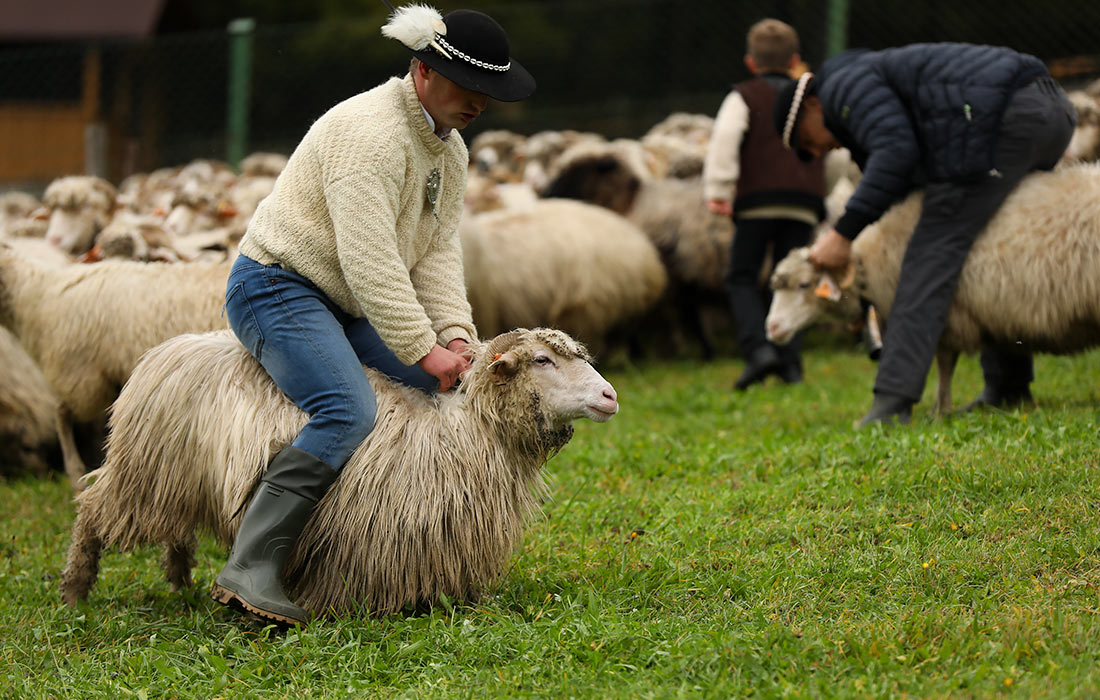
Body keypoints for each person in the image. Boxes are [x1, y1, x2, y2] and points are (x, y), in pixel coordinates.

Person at [211, 4, 535, 625]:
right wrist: (421, 347)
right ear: (423, 70)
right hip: (279, 286)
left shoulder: (449, 148)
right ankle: (251, 566)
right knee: (347, 409)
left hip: (347, 300)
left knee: (445, 387)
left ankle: (412, 544)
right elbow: (369, 258)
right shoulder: (370, 134)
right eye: (466, 85)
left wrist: (455, 336)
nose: (478, 102)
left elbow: (435, 247)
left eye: (488, 91)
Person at [773, 42, 1076, 426]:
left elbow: (895, 152)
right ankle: (1008, 385)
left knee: (929, 254)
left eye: (807, 141)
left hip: (1004, 117)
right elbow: (901, 183)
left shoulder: (842, 88)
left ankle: (891, 403)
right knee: (981, 245)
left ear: (812, 105)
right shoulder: (859, 85)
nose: (818, 151)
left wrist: (841, 235)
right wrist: (866, 297)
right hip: (1042, 108)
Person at [703, 19, 825, 391]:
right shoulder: (811, 97)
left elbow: (725, 138)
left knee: (743, 276)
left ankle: (758, 351)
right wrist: (822, 189)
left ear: (750, 62)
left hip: (756, 202)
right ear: (795, 60)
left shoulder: (743, 95)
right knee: (794, 279)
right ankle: (790, 363)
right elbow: (831, 145)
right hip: (803, 202)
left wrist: (719, 189)